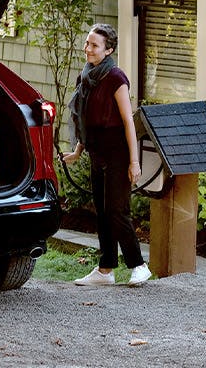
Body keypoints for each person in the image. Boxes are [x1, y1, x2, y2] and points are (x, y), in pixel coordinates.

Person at [63, 24, 152, 286]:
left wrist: (134, 162)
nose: (88, 48)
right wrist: (77, 151)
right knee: (101, 211)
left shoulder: (116, 78)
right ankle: (105, 270)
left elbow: (128, 121)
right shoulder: (85, 76)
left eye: (94, 45)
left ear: (108, 50)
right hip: (96, 150)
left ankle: (139, 265)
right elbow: (84, 120)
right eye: (87, 43)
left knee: (116, 210)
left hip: (117, 151)